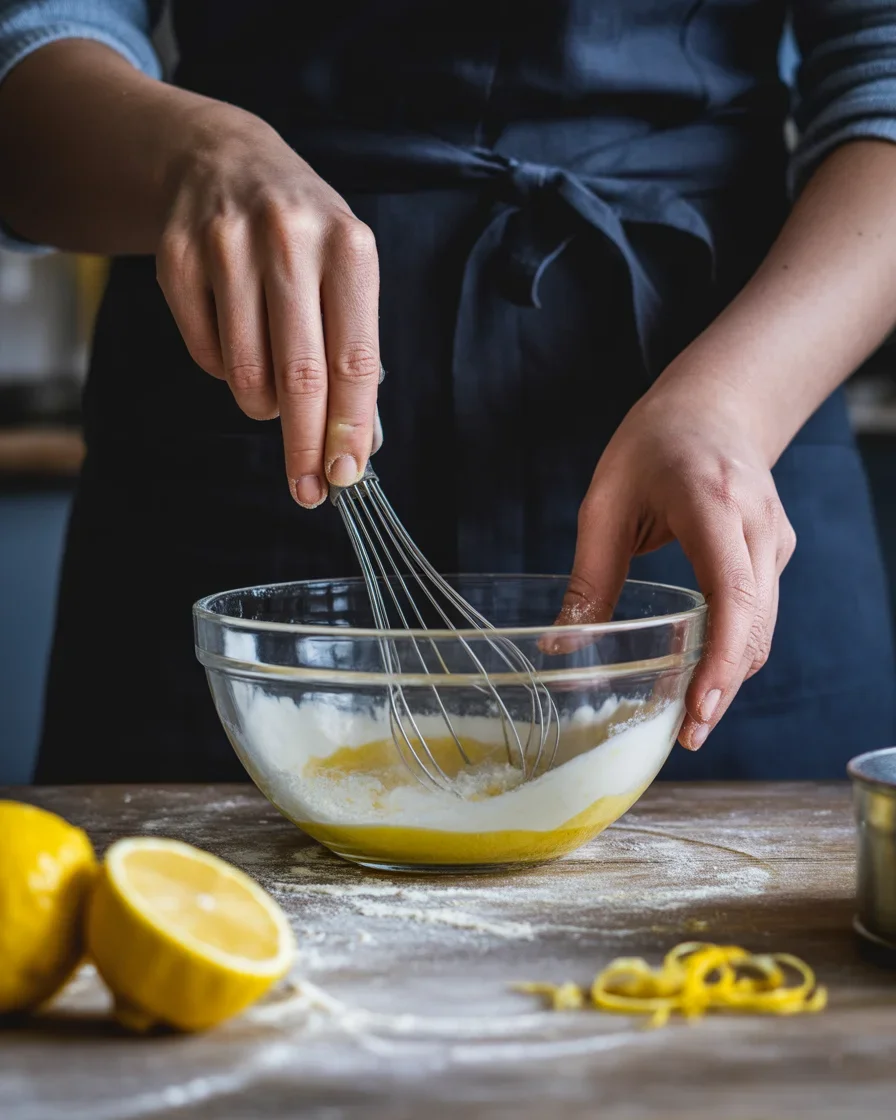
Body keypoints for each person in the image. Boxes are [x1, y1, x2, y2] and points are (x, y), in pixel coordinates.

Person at [1, 1, 895, 783]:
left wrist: (732, 407)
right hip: (247, 418)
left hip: (731, 391)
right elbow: (29, 56)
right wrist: (192, 157)